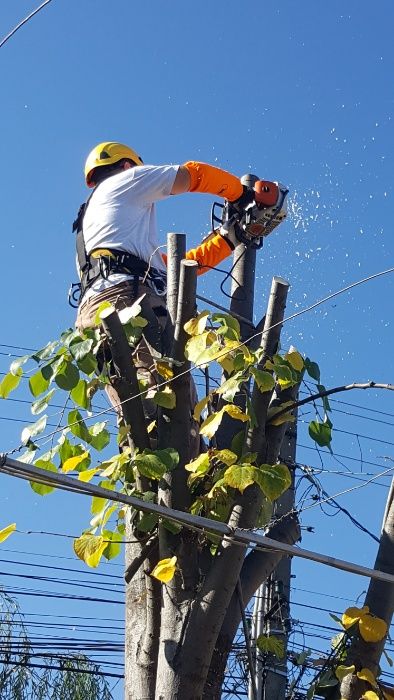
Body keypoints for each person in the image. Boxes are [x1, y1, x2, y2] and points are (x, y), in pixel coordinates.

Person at [73, 141, 244, 433]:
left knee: (138, 418)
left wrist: (228, 239)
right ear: (127, 165)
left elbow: (181, 266)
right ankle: (181, 471)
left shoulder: (104, 232)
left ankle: (153, 477)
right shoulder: (125, 180)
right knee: (169, 406)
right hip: (125, 301)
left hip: (94, 315)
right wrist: (243, 195)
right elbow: (193, 174)